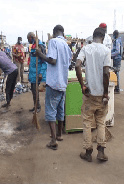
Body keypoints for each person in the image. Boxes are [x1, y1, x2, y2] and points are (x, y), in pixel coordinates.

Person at [75, 27, 111, 162]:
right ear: (103, 37)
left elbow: (77, 65)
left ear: (93, 36)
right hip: (102, 95)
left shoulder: (86, 49)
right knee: (101, 122)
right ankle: (101, 151)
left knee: (87, 122)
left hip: (89, 94)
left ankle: (88, 151)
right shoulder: (106, 51)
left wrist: (82, 85)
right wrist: (106, 93)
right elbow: (106, 72)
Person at [36, 25, 72, 150]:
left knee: (51, 111)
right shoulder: (66, 45)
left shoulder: (53, 42)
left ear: (54, 32)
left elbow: (52, 60)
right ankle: (59, 135)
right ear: (63, 32)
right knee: (60, 110)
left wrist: (40, 54)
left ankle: (53, 140)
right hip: (63, 83)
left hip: (54, 82)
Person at [27, 32, 47, 113]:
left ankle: (38, 107)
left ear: (31, 37)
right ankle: (35, 105)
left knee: (36, 91)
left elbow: (44, 62)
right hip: (33, 73)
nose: (28, 41)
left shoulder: (40, 46)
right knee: (33, 90)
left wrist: (41, 73)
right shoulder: (33, 46)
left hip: (37, 73)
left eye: (28, 39)